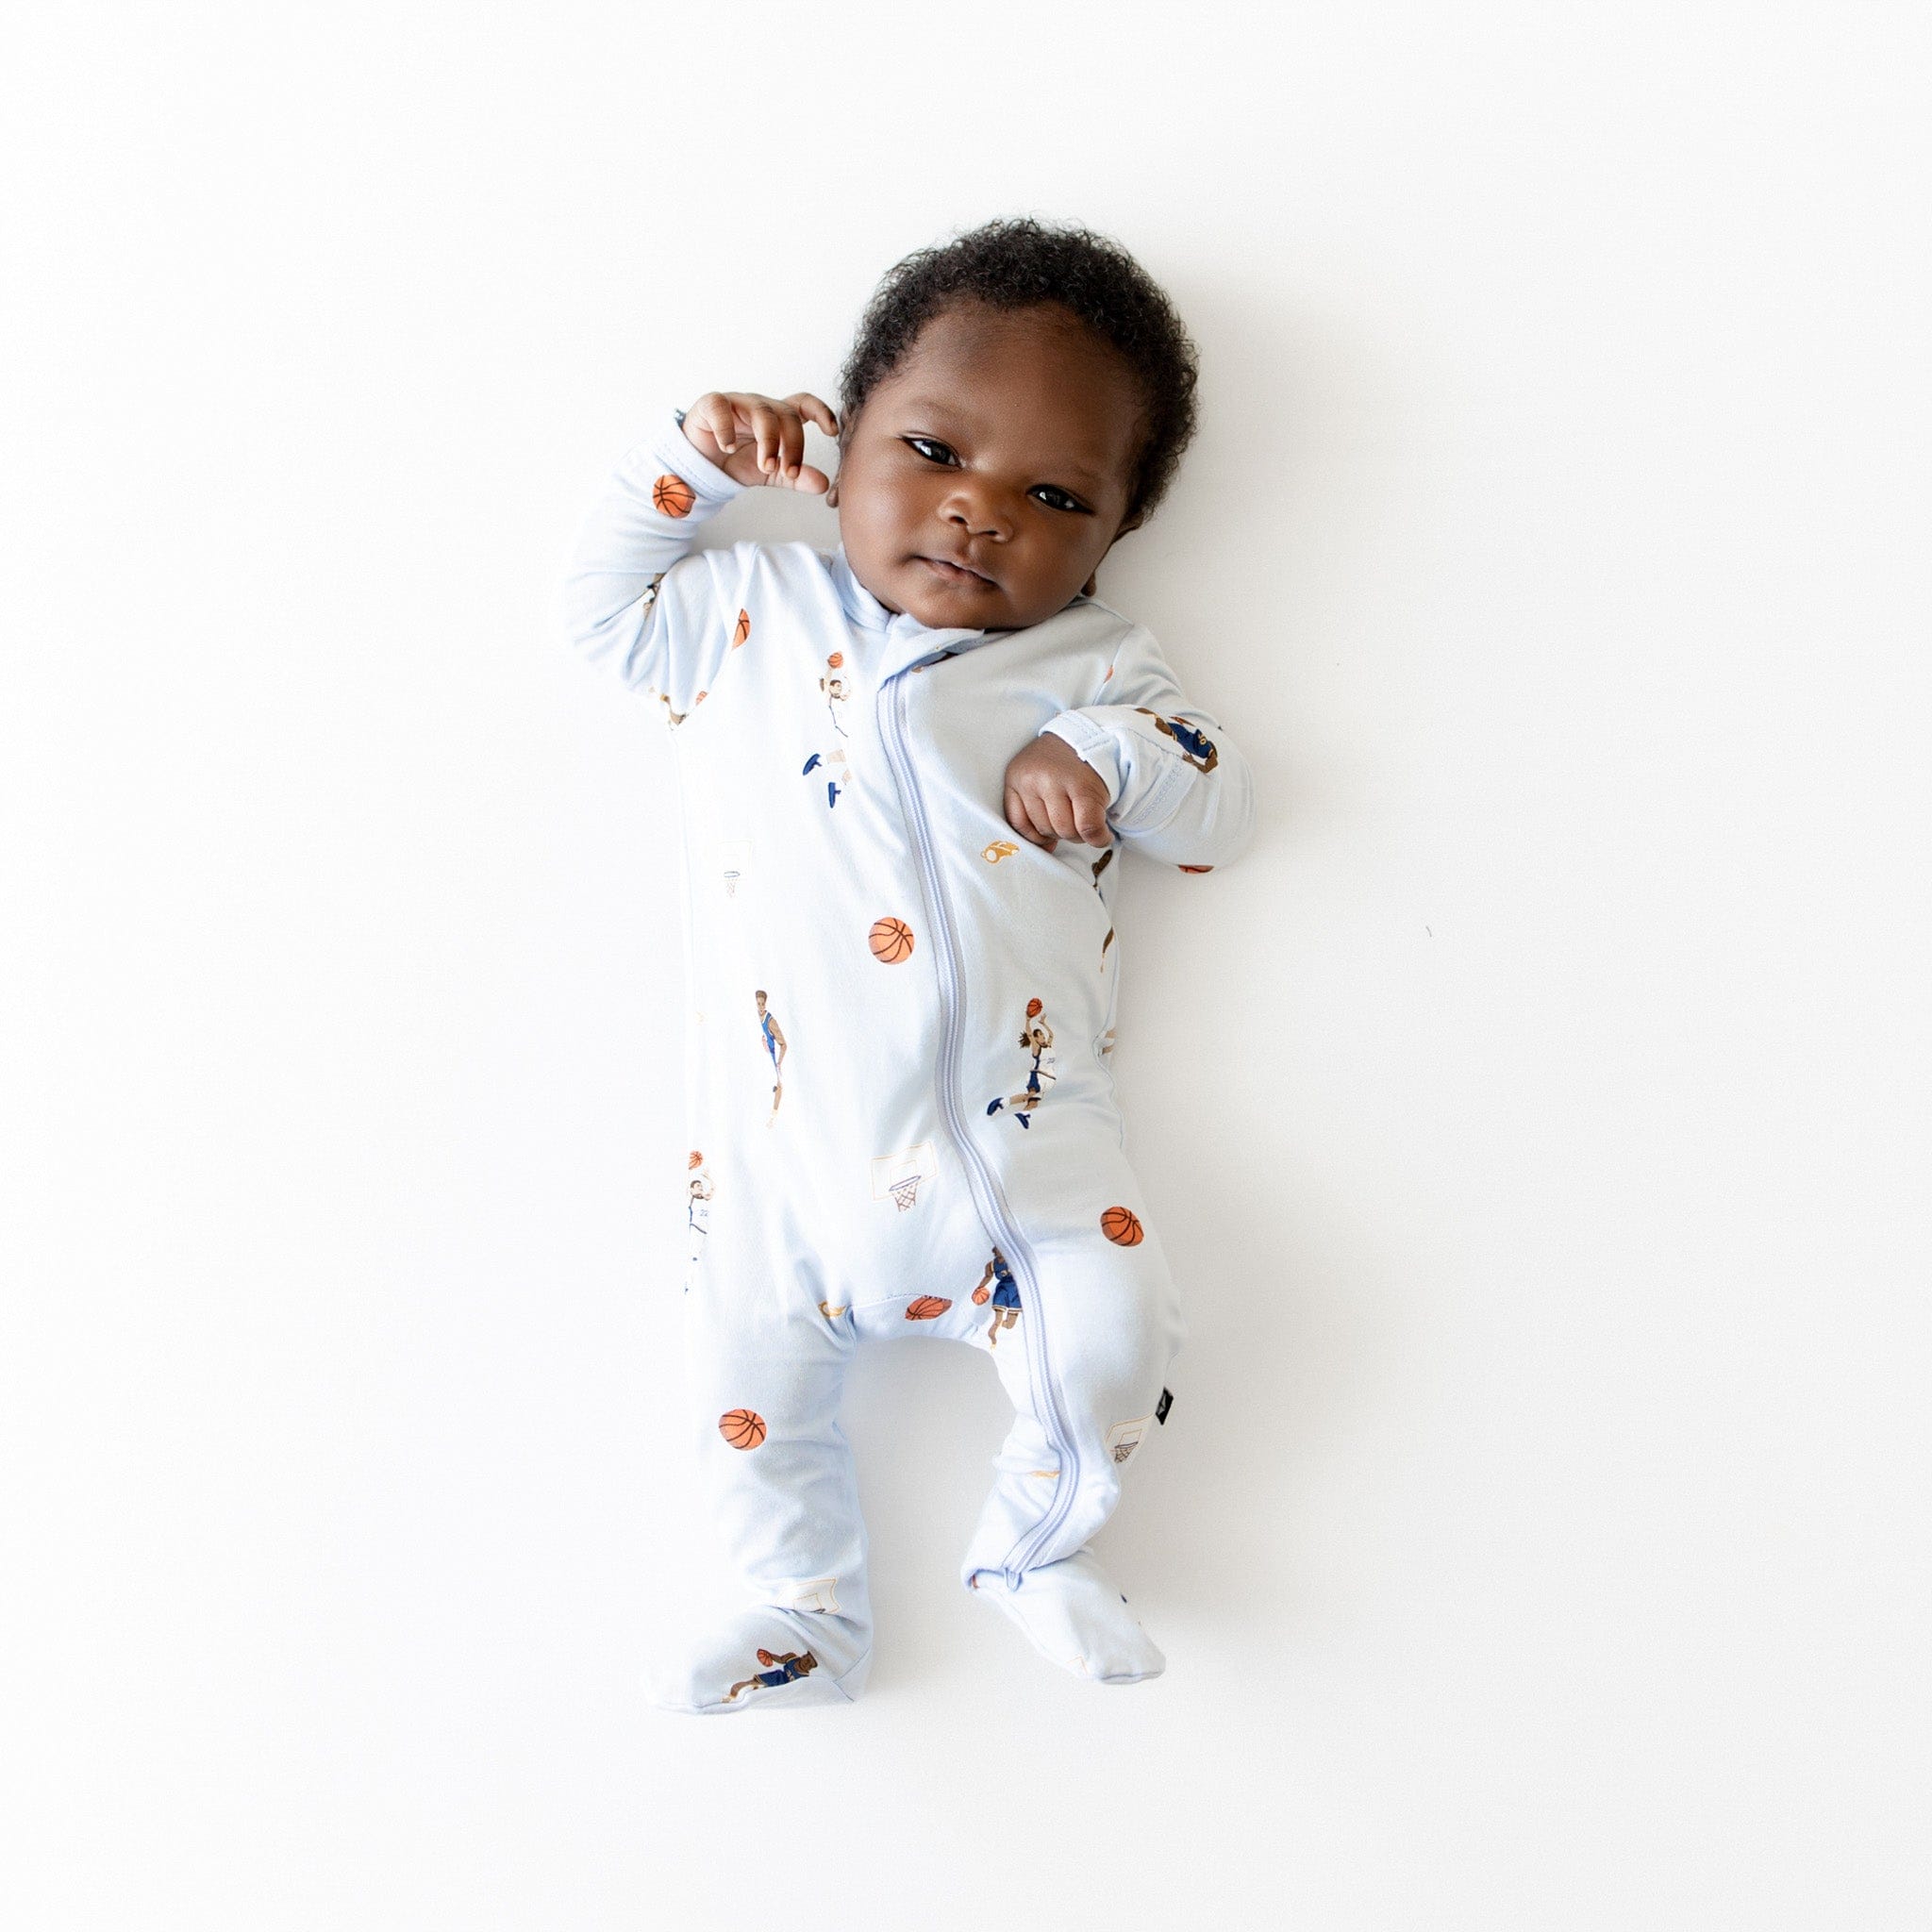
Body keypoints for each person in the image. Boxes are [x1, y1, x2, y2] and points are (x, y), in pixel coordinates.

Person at [563, 216, 1256, 1712]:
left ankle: (1038, 1544)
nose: (980, 512)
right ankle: (798, 1611)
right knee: (738, 1386)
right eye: (934, 450)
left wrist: (1115, 755)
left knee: (1118, 1330)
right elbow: (597, 613)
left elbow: (1215, 813)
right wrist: (688, 456)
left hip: (1022, 1162)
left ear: (1115, 533)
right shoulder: (743, 613)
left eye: (1055, 493)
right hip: (777, 1169)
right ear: (841, 433)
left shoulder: (1094, 664)